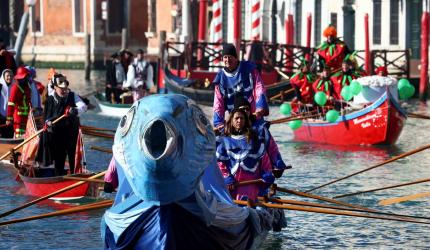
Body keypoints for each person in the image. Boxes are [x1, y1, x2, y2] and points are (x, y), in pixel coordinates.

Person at [216, 108, 274, 201]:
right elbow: (219, 163)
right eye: (236, 118)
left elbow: (264, 159)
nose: (239, 121)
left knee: (249, 203)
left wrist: (267, 174)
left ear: (245, 120)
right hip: (232, 185)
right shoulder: (224, 141)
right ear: (231, 121)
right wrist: (226, 177)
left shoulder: (255, 140)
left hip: (251, 184)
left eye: (242, 118)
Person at [40, 73, 88, 176]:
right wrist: (47, 123)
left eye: (65, 88)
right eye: (61, 88)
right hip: (57, 135)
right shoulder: (50, 99)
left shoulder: (72, 95)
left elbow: (84, 107)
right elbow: (46, 117)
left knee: (73, 159)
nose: (64, 90)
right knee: (59, 161)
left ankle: (75, 178)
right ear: (55, 87)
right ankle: (59, 179)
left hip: (72, 133)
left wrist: (75, 110)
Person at [213, 43, 269, 130]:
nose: (227, 60)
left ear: (236, 58)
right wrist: (218, 122)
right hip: (235, 120)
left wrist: (260, 106)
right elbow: (218, 102)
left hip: (253, 115)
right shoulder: (220, 78)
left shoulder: (249, 69)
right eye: (225, 57)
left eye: (230, 57)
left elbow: (259, 88)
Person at [6, 67, 32, 138]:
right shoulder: (15, 88)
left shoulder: (28, 87)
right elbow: (11, 104)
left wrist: (32, 112)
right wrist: (9, 118)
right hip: (18, 118)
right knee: (19, 137)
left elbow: (29, 101)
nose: (28, 78)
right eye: (26, 77)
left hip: (27, 117)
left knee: (27, 136)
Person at [0, 69, 14, 138]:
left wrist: (10, 118)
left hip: (10, 118)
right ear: (3, 77)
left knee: (9, 136)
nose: (9, 77)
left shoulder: (14, 87)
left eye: (11, 76)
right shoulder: (0, 87)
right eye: (7, 76)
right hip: (0, 117)